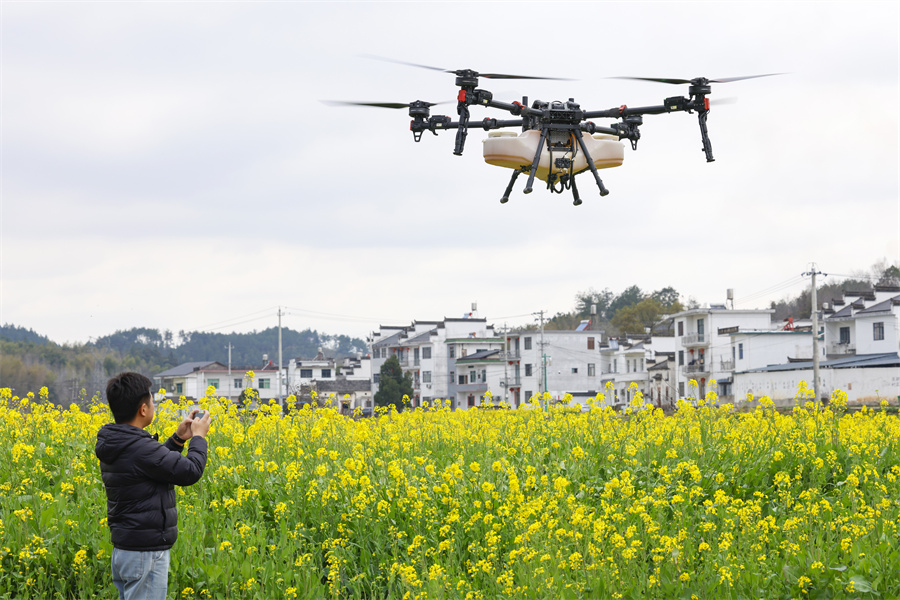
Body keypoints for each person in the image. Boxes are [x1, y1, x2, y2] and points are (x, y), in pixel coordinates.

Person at [95, 372, 211, 600]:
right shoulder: (140, 447)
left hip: (125, 550)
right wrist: (199, 438)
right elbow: (190, 471)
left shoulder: (118, 442)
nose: (153, 405)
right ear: (143, 409)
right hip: (144, 554)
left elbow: (152, 466)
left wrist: (178, 439)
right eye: (151, 400)